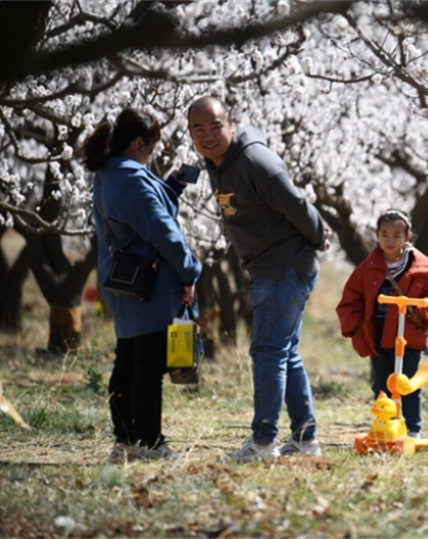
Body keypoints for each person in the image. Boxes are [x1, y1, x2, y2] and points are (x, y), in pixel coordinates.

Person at [187, 96, 331, 462]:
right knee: (284, 352)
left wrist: (318, 236)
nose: (207, 135)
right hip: (268, 267)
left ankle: (263, 442)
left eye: (215, 126)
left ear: (231, 124)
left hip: (284, 266)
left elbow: (295, 202)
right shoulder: (215, 162)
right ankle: (304, 439)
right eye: (198, 129)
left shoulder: (254, 161)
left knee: (267, 351)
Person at [83, 108, 202, 463]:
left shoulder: (109, 174)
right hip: (150, 285)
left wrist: (170, 186)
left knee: (129, 361)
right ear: (138, 143)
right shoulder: (132, 180)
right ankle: (151, 444)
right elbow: (162, 231)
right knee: (147, 369)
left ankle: (125, 441)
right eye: (151, 145)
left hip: (124, 281)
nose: (152, 152)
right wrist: (189, 271)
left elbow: (142, 216)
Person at [336, 209, 428, 438]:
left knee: (407, 384)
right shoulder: (367, 268)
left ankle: (413, 428)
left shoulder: (423, 269)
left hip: (409, 335)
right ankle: (385, 424)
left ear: (408, 237)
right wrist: (357, 327)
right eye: (384, 234)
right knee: (381, 383)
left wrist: (422, 309)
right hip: (377, 335)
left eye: (397, 235)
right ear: (376, 235)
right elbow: (351, 298)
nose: (390, 240)